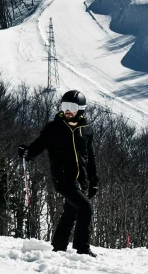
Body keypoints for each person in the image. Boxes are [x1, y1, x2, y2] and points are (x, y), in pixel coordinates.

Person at [19, 90, 98, 257]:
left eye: (72, 107)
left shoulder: (86, 130)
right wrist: (27, 152)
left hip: (81, 180)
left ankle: (58, 246)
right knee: (86, 208)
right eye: (64, 106)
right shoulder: (54, 128)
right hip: (63, 179)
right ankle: (82, 248)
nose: (67, 110)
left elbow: (90, 157)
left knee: (71, 212)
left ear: (81, 109)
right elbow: (39, 145)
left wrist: (94, 180)